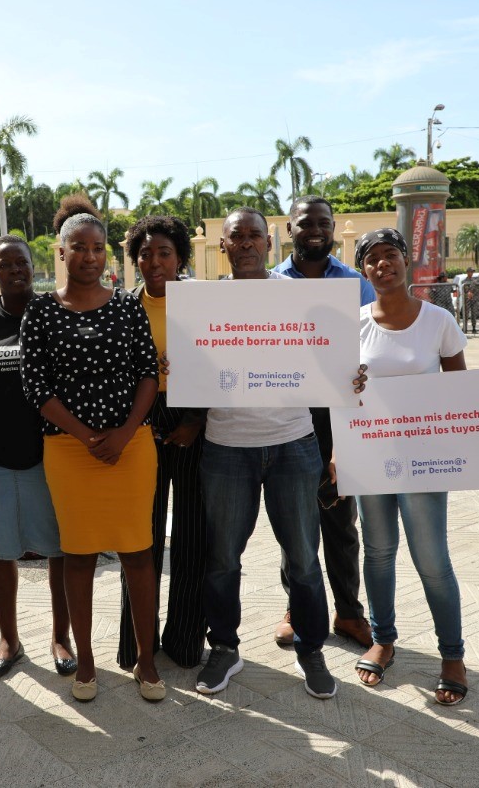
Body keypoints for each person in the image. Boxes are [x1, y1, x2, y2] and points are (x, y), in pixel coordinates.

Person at [347, 228, 479, 706]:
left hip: (425, 461)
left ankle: (452, 655)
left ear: (406, 262)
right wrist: (339, 453)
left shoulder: (438, 321)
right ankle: (383, 640)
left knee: (431, 559)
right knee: (378, 551)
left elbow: (462, 394)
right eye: (372, 260)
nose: (382, 265)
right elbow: (343, 396)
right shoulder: (354, 324)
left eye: (391, 255)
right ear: (364, 270)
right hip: (373, 458)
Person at [195, 208, 366, 700]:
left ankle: (312, 651)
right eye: (236, 237)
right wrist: (177, 367)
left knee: (304, 560)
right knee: (224, 559)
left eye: (254, 236)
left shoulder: (302, 298)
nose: (246, 243)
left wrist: (350, 375)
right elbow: (189, 368)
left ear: (268, 245)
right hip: (226, 448)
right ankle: (224, 649)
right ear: (221, 246)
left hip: (294, 444)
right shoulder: (202, 304)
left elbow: (334, 360)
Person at [20, 194, 164, 703]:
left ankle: (147, 662)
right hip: (69, 451)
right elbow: (37, 388)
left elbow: (148, 374)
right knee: (77, 555)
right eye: (78, 247)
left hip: (131, 447)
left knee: (139, 553)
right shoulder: (40, 312)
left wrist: (124, 433)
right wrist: (87, 437)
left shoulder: (127, 307)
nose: (89, 256)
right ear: (60, 252)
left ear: (108, 255)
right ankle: (85, 662)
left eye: (98, 248)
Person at [0, 235, 76, 679]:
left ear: (35, 266)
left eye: (22, 262)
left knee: (59, 549)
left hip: (51, 453)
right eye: (4, 265)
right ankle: (9, 638)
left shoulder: (54, 312)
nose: (15, 270)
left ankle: (60, 637)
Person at [272, 196, 375, 650]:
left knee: (340, 519)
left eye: (323, 223)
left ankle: (349, 613)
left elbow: (375, 340)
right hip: (288, 411)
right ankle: (297, 607)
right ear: (289, 228)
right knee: (294, 519)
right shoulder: (269, 283)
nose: (315, 229)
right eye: (305, 223)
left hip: (340, 415)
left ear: (334, 228)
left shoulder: (355, 283)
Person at [115, 215, 208, 671]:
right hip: (141, 423)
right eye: (145, 254)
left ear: (181, 258)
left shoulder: (202, 304)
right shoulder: (124, 306)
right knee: (140, 538)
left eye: (164, 253)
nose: (154, 262)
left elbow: (223, 364)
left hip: (196, 421)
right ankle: (138, 643)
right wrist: (138, 423)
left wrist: (194, 421)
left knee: (191, 536)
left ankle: (187, 639)